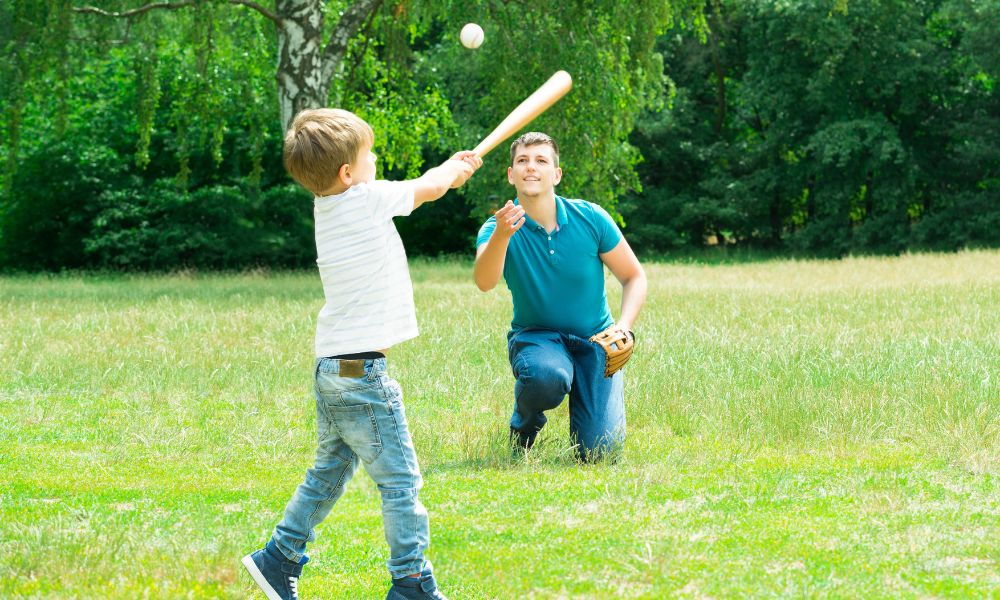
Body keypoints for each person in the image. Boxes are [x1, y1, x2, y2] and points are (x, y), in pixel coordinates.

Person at [242, 108, 481, 600]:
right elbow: (432, 187)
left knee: (330, 471)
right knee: (401, 482)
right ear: (348, 174)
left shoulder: (326, 206)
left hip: (332, 368)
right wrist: (455, 170)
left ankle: (278, 556)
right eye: (368, 155)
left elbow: (425, 184)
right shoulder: (365, 199)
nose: (374, 161)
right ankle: (411, 580)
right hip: (361, 373)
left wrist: (445, 172)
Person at [473, 132, 647, 461]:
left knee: (600, 453)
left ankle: (589, 425)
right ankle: (523, 427)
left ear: (557, 173)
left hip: (597, 342)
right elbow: (484, 281)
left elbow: (633, 276)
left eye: (541, 161)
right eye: (522, 161)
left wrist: (624, 326)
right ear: (511, 174)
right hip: (538, 338)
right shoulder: (496, 229)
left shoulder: (591, 218)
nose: (531, 167)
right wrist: (502, 236)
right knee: (546, 377)